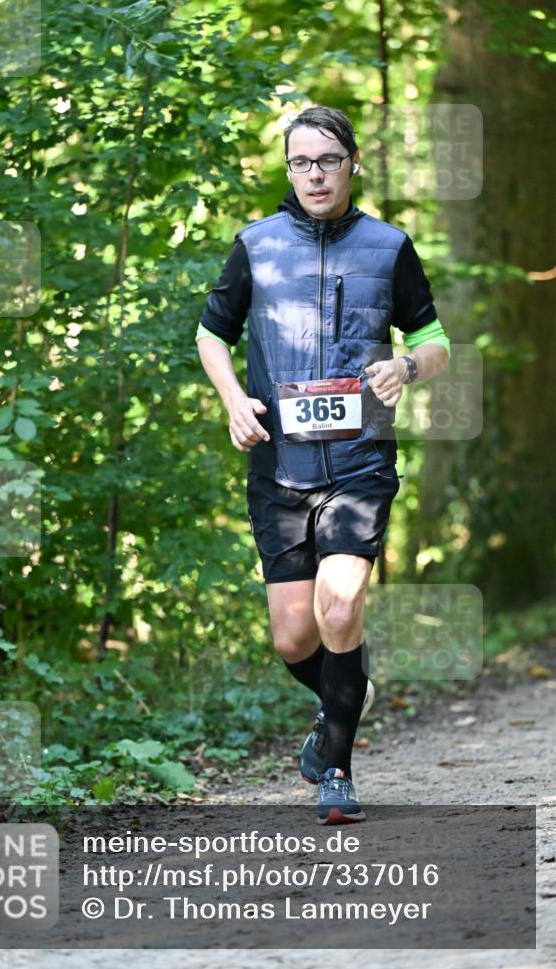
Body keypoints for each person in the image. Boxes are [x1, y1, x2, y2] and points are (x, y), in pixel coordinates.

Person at [196, 106, 450, 824]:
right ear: (288, 169)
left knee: (340, 607)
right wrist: (233, 402)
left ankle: (335, 769)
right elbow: (211, 335)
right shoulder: (255, 245)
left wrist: (406, 365)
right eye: (301, 162)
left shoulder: (388, 246)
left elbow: (435, 341)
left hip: (359, 463)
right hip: (277, 465)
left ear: (352, 164)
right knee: (293, 636)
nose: (315, 174)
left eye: (327, 161)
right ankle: (348, 690)